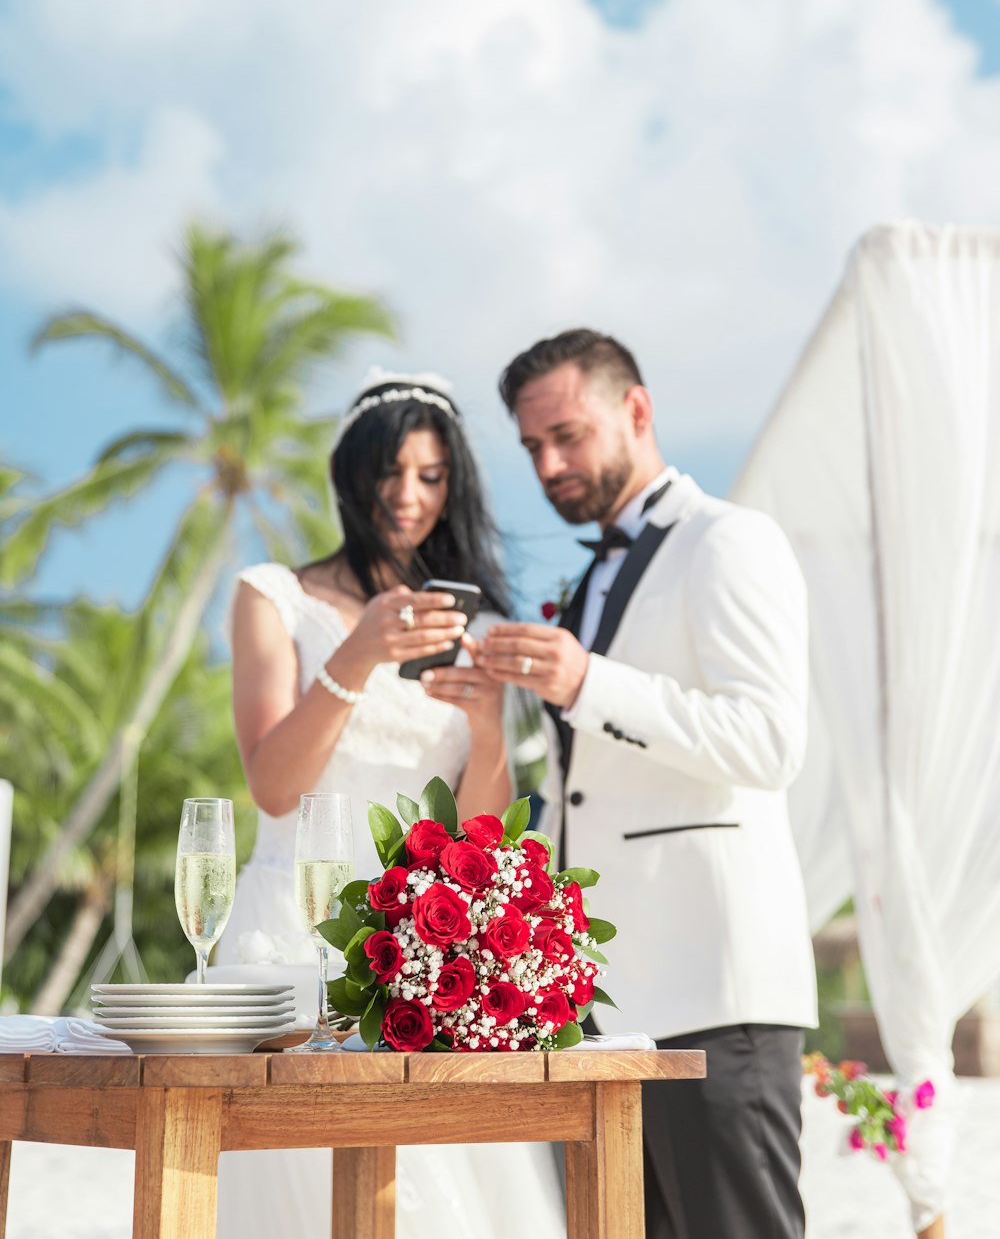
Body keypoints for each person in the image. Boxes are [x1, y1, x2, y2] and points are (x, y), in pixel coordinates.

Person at [478, 330, 817, 1239]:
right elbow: (587, 787)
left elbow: (772, 740)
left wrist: (588, 682)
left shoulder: (729, 539)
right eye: (532, 447)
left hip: (716, 994)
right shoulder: (588, 578)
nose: (550, 463)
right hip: (597, 1004)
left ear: (637, 409)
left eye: (568, 434)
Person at [216, 368, 565, 1239]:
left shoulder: (473, 629)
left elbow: (477, 835)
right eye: (391, 471)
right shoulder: (274, 596)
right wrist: (358, 655)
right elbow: (273, 783)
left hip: (423, 950)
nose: (408, 496)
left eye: (432, 475)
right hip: (289, 936)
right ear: (351, 472)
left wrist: (487, 730)